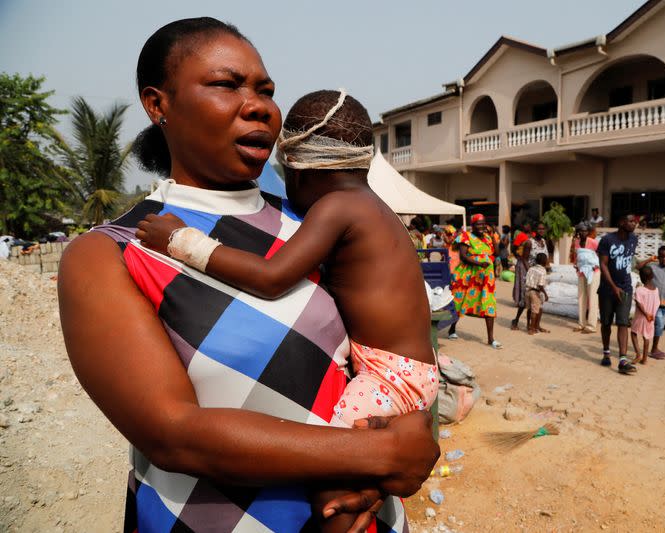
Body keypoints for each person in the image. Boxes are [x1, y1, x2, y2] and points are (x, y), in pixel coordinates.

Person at [57, 19, 438, 533]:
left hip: (360, 513)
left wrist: (389, 463)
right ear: (157, 103)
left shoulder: (312, 222)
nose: (258, 104)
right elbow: (174, 434)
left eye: (266, 90)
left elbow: (394, 346)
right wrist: (378, 454)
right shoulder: (113, 251)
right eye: (226, 84)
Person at [137, 89, 440, 530]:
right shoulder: (374, 207)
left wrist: (181, 241)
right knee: (359, 470)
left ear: (302, 169)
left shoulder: (336, 207)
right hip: (410, 369)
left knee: (335, 481)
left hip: (389, 375)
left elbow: (271, 277)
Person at [597, 213, 643, 374]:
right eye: (631, 221)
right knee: (606, 323)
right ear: (621, 222)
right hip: (607, 289)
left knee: (623, 322)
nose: (634, 224)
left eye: (635, 221)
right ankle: (606, 352)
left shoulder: (633, 240)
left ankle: (623, 360)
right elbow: (603, 265)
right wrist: (613, 286)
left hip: (626, 288)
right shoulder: (607, 240)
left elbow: (629, 262)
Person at [448, 213, 502, 348]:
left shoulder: (488, 237)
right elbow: (464, 256)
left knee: (489, 303)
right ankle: (452, 329)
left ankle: (491, 339)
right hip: (468, 275)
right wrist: (479, 264)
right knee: (459, 302)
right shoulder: (465, 236)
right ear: (472, 225)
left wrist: (494, 236)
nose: (481, 226)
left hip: (486, 277)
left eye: (483, 223)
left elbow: (496, 253)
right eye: (478, 224)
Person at [570, 222, 599, 334]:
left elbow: (600, 254)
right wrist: (576, 264)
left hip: (593, 271)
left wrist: (597, 265)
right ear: (578, 232)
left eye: (585, 230)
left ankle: (591, 325)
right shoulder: (576, 242)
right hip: (581, 271)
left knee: (592, 296)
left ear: (588, 232)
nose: (583, 232)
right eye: (581, 230)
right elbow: (577, 256)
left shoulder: (592, 242)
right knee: (581, 296)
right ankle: (581, 323)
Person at [630, 265, 660, 365]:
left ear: (642, 278)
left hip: (641, 317)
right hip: (650, 317)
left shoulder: (640, 290)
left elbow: (639, 303)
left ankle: (638, 354)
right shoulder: (656, 290)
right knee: (646, 337)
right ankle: (645, 358)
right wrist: (651, 315)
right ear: (652, 276)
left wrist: (645, 314)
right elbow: (657, 304)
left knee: (633, 333)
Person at [525, 252, 550, 334]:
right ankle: (532, 329)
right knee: (535, 311)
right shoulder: (543, 271)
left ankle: (529, 325)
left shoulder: (531, 268)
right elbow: (540, 285)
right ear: (544, 261)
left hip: (527, 291)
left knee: (529, 309)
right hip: (535, 292)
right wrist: (545, 294)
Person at [511, 240, 532, 330]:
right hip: (526, 269)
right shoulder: (529, 242)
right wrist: (530, 271)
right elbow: (524, 258)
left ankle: (525, 323)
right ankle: (524, 324)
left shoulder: (540, 242)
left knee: (528, 299)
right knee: (526, 297)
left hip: (528, 268)